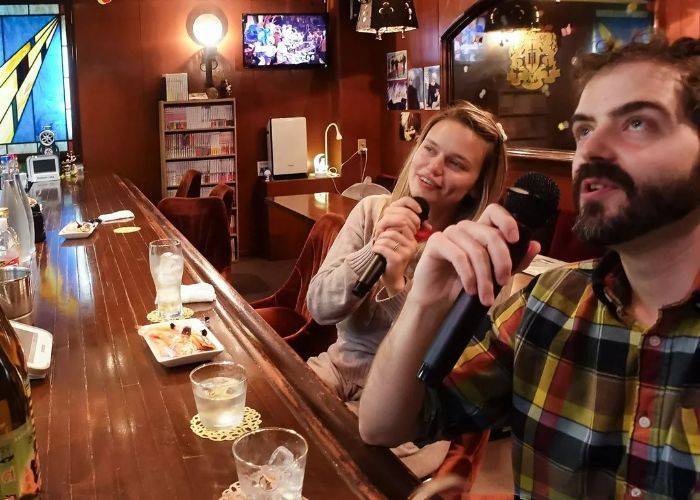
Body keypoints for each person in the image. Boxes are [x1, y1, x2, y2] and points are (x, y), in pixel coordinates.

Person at [359, 36, 700, 497]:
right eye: (583, 130)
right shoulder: (546, 302)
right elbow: (382, 426)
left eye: (636, 123)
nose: (591, 151)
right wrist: (423, 301)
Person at [306, 101, 508, 479]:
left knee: (341, 480)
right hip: (335, 369)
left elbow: (448, 363)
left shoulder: (472, 254)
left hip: (406, 410)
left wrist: (396, 285)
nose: (433, 167)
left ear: (475, 187)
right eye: (429, 149)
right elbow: (319, 307)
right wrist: (375, 251)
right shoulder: (371, 211)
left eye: (456, 163)